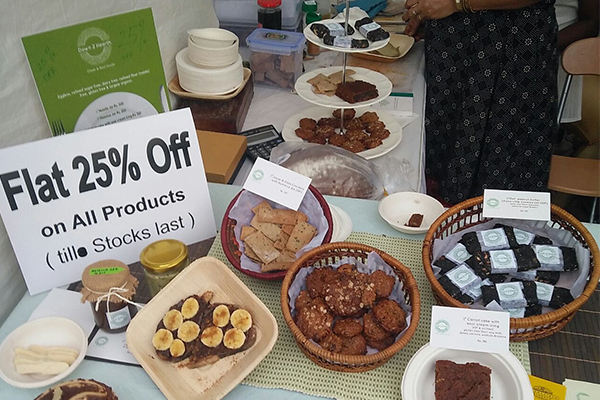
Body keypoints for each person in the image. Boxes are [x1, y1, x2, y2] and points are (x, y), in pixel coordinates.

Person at [402, 0, 559, 206]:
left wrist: (456, 3)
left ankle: (493, 234)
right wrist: (426, 9)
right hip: (453, 44)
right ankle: (440, 229)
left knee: (501, 164)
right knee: (444, 151)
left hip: (512, 45)